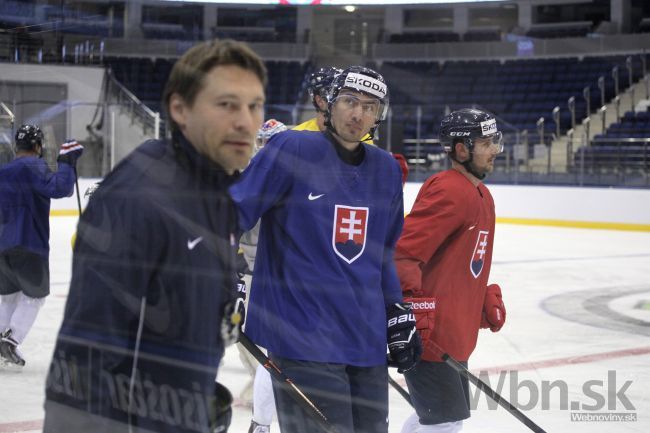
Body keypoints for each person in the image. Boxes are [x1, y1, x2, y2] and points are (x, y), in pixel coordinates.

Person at [42, 39, 267, 433]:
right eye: (226, 104)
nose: (245, 122)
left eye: (254, 106)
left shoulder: (214, 192)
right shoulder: (139, 196)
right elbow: (85, 360)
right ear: (180, 109)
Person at [230, 65, 421, 433]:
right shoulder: (291, 148)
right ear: (326, 103)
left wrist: (397, 310)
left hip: (364, 338)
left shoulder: (385, 169)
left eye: (370, 106)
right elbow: (230, 213)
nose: (358, 114)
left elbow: (382, 252)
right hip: (302, 335)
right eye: (350, 101)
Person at [395, 108, 507, 433]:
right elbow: (404, 253)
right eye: (486, 142)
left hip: (455, 331)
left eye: (495, 140)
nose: (495, 149)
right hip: (432, 335)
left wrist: (478, 299)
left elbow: (467, 261)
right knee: (445, 421)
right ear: (461, 149)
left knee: (438, 417)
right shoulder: (448, 189)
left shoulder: (482, 195)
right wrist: (406, 312)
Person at [0, 126, 83, 367]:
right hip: (28, 244)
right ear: (38, 147)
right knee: (35, 296)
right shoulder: (33, 166)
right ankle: (12, 339)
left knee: (8, 296)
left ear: (17, 146)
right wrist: (67, 161)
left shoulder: (3, 170)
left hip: (2, 248)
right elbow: (61, 188)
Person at [294, 66, 409, 185]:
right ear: (320, 100)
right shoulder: (297, 138)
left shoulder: (359, 135)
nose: (357, 115)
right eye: (348, 100)